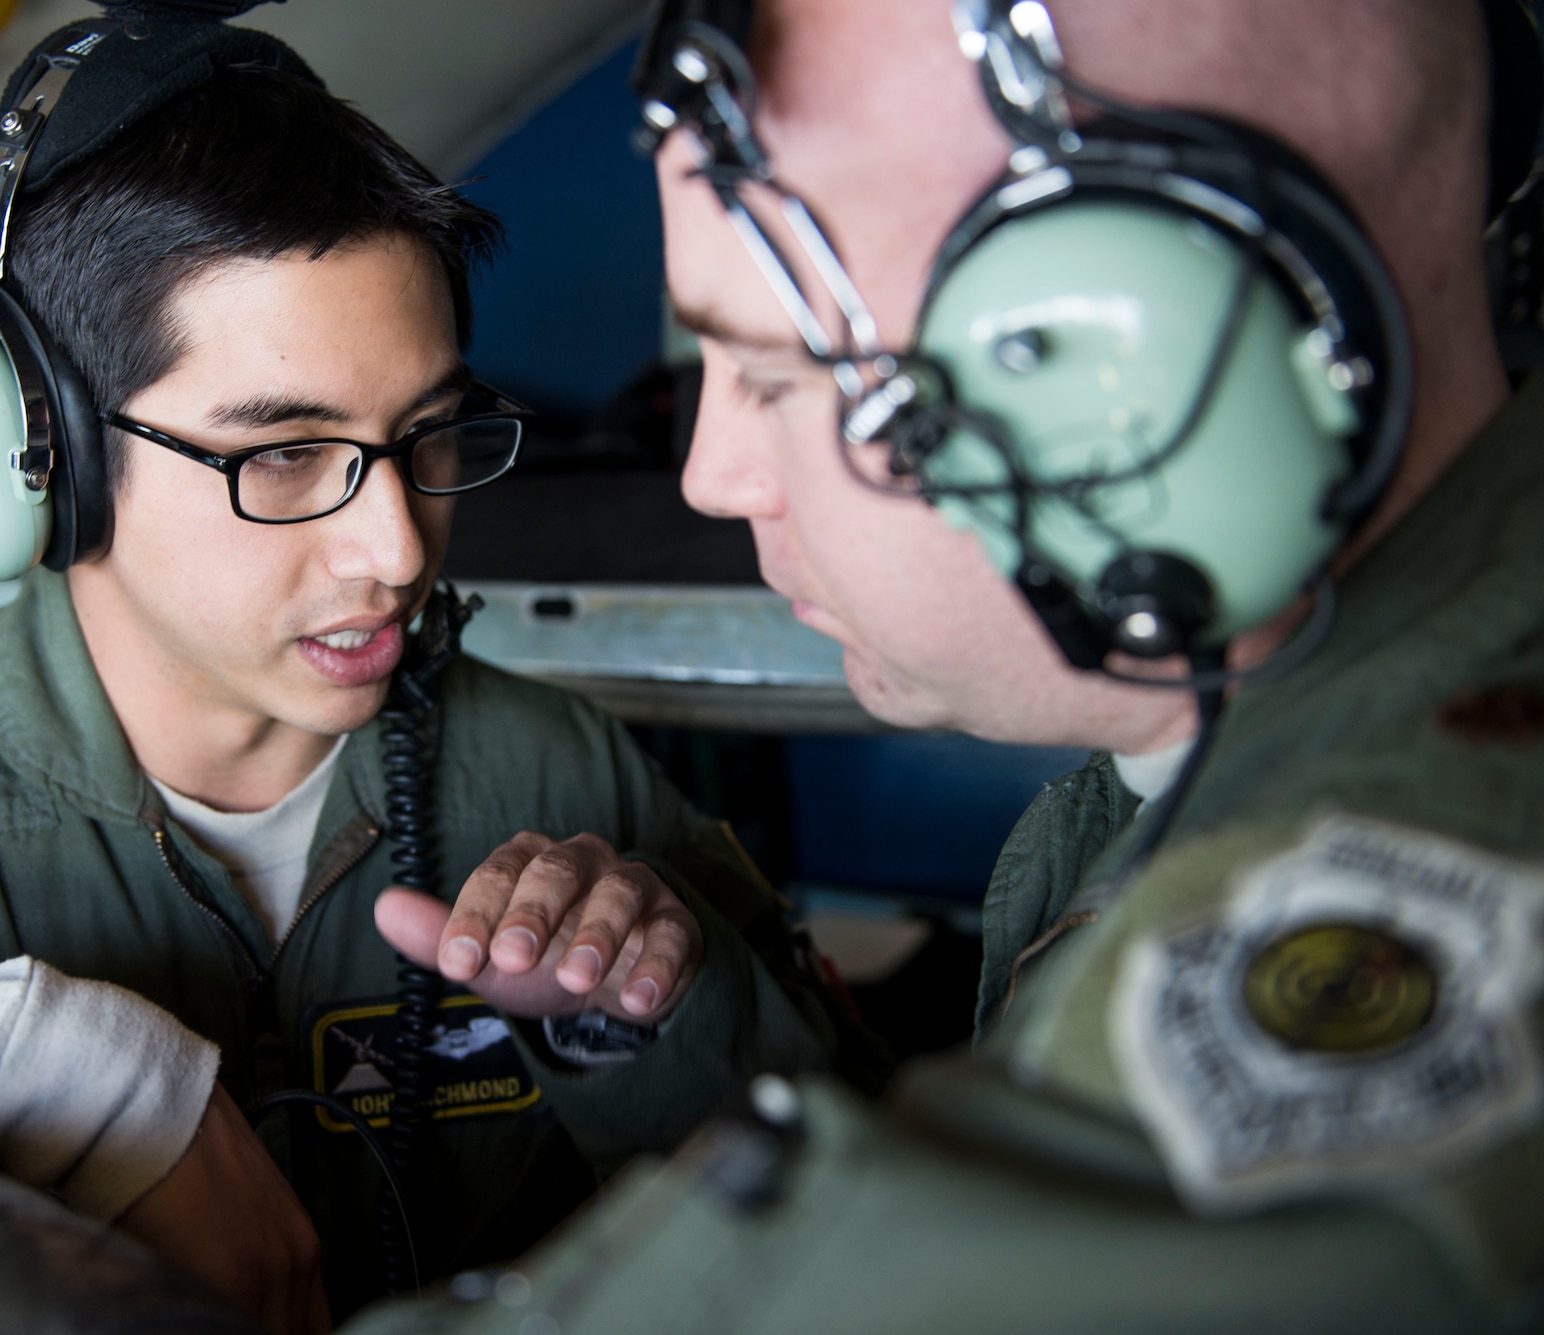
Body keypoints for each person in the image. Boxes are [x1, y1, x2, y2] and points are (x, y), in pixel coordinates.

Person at [0, 9, 872, 1332]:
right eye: (283, 453)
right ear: (43, 455)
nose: (396, 546)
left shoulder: (562, 771)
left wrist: (644, 1026)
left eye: (426, 436)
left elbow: (851, 1210)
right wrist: (28, 1066)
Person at [343, 0, 1544, 1330]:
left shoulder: (1444, 872)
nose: (710, 476)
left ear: (1139, 381)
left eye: (783, 374)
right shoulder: (1173, 770)